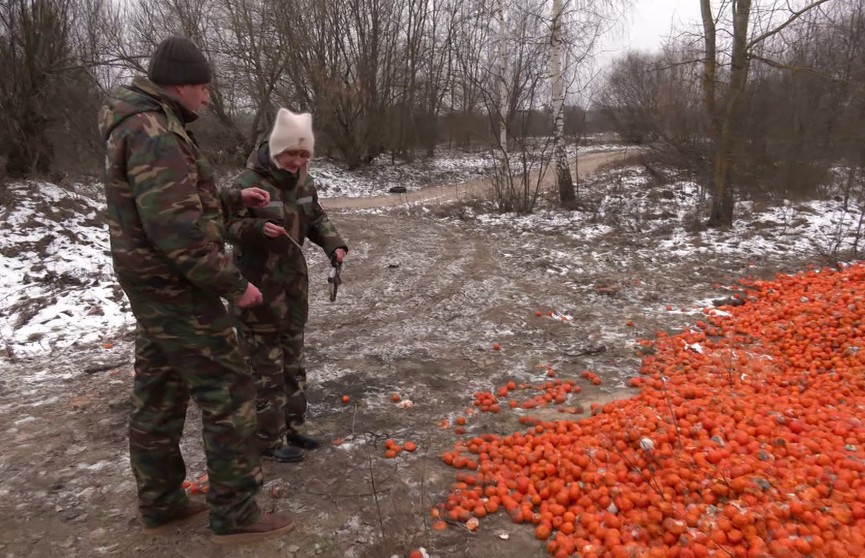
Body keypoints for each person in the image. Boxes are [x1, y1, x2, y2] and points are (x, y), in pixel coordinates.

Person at [98, 36, 294, 542]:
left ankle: (160, 501)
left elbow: (174, 203)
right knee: (229, 389)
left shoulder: (139, 124)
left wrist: (231, 197)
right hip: (177, 287)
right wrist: (234, 284)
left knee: (159, 392)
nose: (207, 98)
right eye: (203, 88)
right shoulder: (155, 131)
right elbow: (177, 232)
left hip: (152, 285)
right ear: (181, 83)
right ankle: (236, 510)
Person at [225, 108, 348, 463]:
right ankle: (267, 439)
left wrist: (333, 245)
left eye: (304, 154)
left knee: (294, 365)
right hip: (257, 291)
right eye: (292, 153)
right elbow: (222, 225)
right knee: (266, 370)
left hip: (292, 291)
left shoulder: (304, 182)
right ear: (276, 148)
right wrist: (255, 229)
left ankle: (293, 427)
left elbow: (317, 217)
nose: (297, 160)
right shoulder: (247, 183)